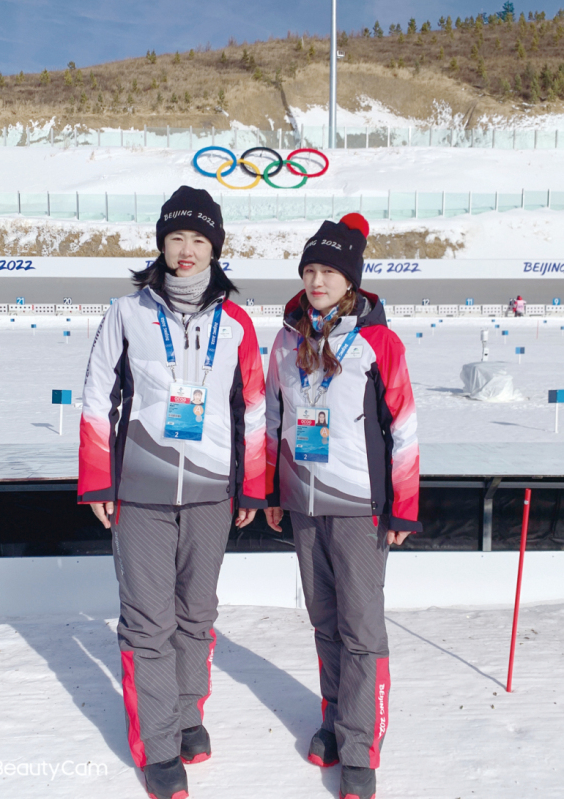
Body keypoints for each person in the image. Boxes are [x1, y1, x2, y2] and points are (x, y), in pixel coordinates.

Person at [77, 186, 266, 799]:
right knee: (147, 620)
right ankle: (158, 745)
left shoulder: (235, 321)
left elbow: (253, 410)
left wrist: (252, 488)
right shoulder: (127, 311)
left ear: (216, 248)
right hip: (142, 489)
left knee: (196, 614)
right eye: (176, 238)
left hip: (213, 490)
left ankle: (187, 714)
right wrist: (99, 479)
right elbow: (96, 394)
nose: (186, 251)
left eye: (200, 240)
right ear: (161, 242)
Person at [265, 213, 421, 799]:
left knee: (360, 628)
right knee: (324, 621)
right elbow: (276, 419)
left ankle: (361, 746)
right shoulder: (287, 337)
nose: (316, 280)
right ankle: (334, 718)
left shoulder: (379, 341)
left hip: (359, 506)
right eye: (309, 269)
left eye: (328, 270)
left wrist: (402, 506)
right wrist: (275, 490)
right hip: (304, 503)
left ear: (350, 279)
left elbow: (403, 427)